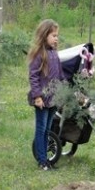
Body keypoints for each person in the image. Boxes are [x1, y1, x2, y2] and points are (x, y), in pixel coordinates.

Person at [28, 19, 65, 171]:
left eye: (57, 36)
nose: (56, 39)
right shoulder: (39, 54)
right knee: (41, 129)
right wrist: (37, 96)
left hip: (53, 99)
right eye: (54, 35)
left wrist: (66, 89)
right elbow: (33, 76)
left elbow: (60, 75)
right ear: (44, 36)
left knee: (48, 130)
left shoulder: (54, 54)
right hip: (42, 100)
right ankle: (42, 161)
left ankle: (46, 161)